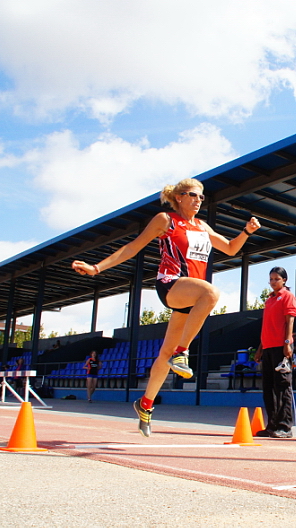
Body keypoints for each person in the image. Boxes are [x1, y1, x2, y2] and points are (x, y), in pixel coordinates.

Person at [72, 177, 260, 437]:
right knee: (211, 293)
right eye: (193, 195)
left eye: (201, 197)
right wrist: (96, 268)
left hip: (190, 296)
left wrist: (246, 232)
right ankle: (182, 352)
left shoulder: (202, 226)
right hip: (170, 284)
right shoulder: (166, 220)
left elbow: (230, 248)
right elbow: (132, 247)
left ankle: (145, 404)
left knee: (164, 353)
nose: (198, 200)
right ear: (179, 197)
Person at [254, 267, 296, 439]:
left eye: (276, 279)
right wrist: (260, 349)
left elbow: (290, 320)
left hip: (280, 346)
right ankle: (272, 424)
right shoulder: (269, 300)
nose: (273, 282)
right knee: (268, 388)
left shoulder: (287, 296)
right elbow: (266, 326)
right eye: (271, 279)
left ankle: (285, 426)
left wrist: (287, 343)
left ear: (284, 280)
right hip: (267, 347)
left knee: (282, 386)